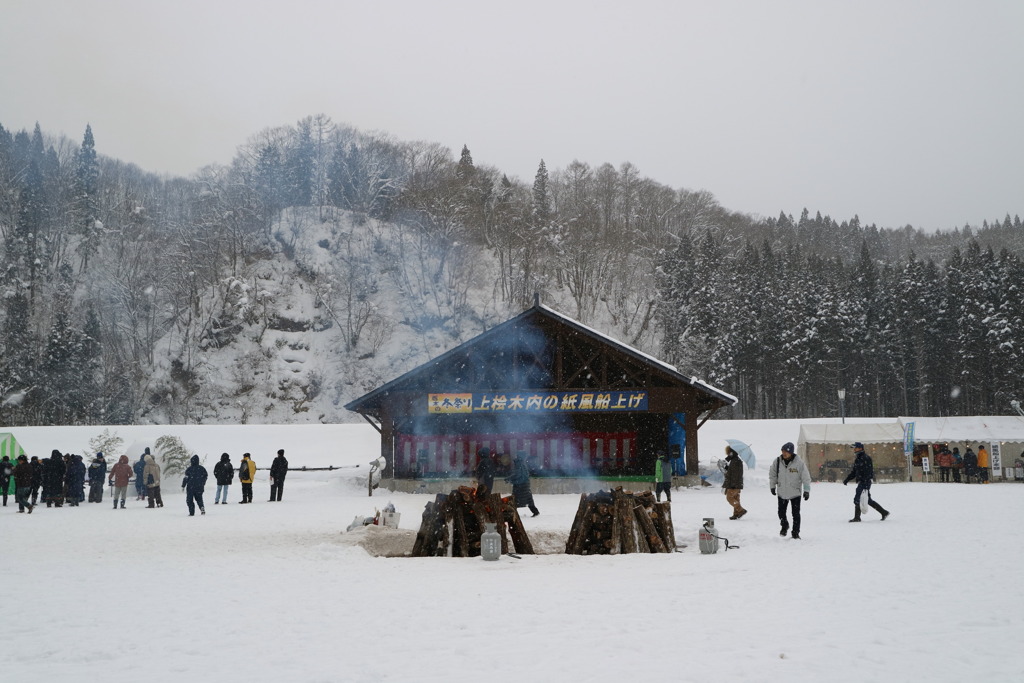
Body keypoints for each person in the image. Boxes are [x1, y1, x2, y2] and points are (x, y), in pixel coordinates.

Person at [769, 442, 810, 539]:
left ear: (791, 452)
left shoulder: (799, 463)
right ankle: (784, 525)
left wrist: (807, 490)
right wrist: (772, 486)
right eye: (783, 451)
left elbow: (806, 477)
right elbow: (772, 474)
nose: (784, 453)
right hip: (782, 492)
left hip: (795, 493)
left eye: (786, 451)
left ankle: (795, 532)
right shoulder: (777, 461)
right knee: (781, 513)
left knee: (795, 514)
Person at [844, 442, 890, 522]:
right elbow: (854, 472)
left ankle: (857, 518)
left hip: (865, 482)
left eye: (855, 448)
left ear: (860, 448)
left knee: (857, 499)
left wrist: (865, 484)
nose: (854, 449)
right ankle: (884, 512)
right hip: (862, 482)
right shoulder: (858, 459)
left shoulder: (866, 458)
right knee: (868, 500)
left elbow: (869, 472)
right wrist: (847, 479)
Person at [505, 451, 539, 517]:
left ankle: (511, 513)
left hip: (520, 485)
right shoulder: (522, 463)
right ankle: (535, 511)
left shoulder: (519, 463)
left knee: (515, 500)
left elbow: (517, 474)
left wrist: (509, 478)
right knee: (528, 499)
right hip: (525, 484)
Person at [722, 446, 747, 519]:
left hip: (734, 484)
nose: (727, 454)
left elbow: (735, 474)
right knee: (736, 498)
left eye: (728, 452)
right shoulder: (735, 460)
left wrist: (733, 485)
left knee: (729, 498)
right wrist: (727, 468)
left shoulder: (735, 461)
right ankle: (736, 513)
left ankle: (740, 510)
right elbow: (733, 471)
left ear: (731, 452)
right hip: (737, 483)